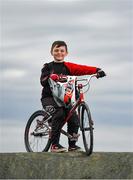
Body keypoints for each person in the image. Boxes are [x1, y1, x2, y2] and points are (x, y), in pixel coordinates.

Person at [40, 40, 106, 153]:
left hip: (65, 98)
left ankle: (72, 145)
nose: (59, 53)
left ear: (66, 53)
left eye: (62, 51)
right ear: (51, 52)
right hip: (49, 98)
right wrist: (51, 77)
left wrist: (97, 70)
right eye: (56, 50)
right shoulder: (48, 67)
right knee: (59, 114)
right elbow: (43, 81)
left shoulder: (68, 67)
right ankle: (54, 145)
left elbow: (82, 68)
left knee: (74, 119)